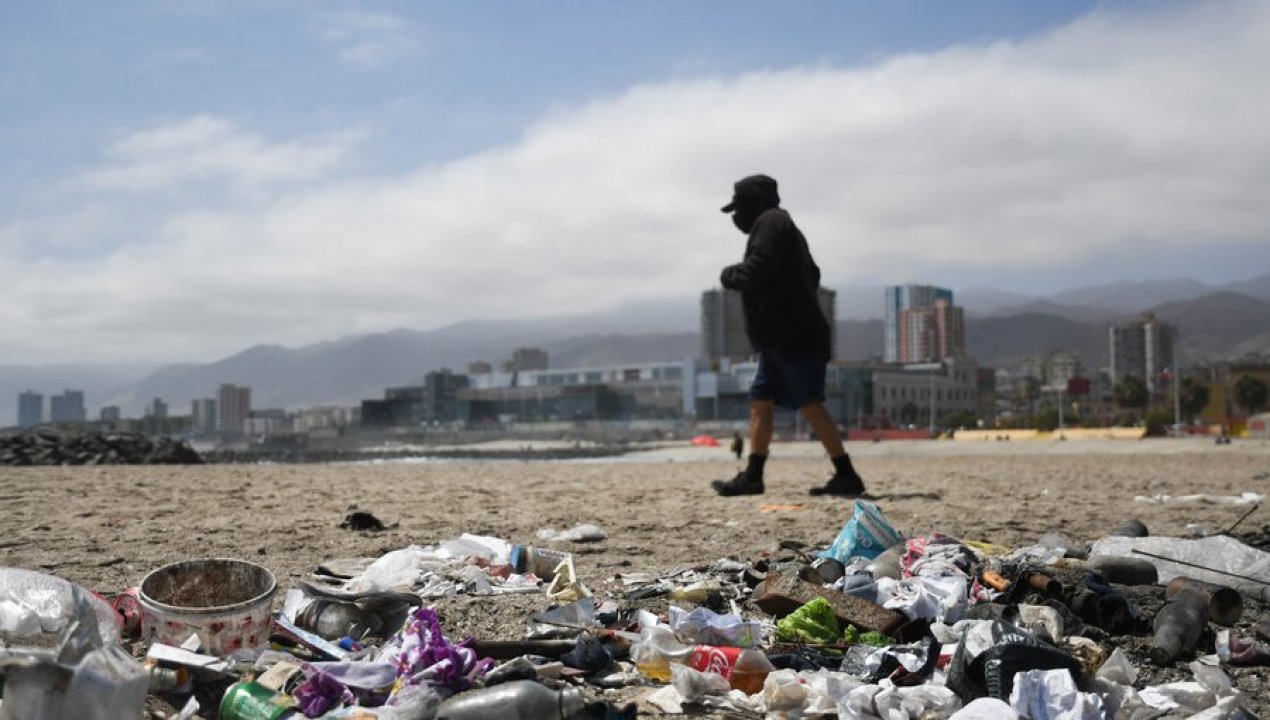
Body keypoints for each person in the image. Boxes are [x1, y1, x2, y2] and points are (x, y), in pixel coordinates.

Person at [710, 174, 868, 498]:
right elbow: (813, 274)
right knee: (761, 402)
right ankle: (753, 476)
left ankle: (847, 474)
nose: (737, 216)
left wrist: (731, 275)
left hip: (794, 336)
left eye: (739, 207)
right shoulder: (782, 226)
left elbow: (759, 265)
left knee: (809, 403)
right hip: (781, 338)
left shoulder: (771, 222)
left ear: (753, 201)